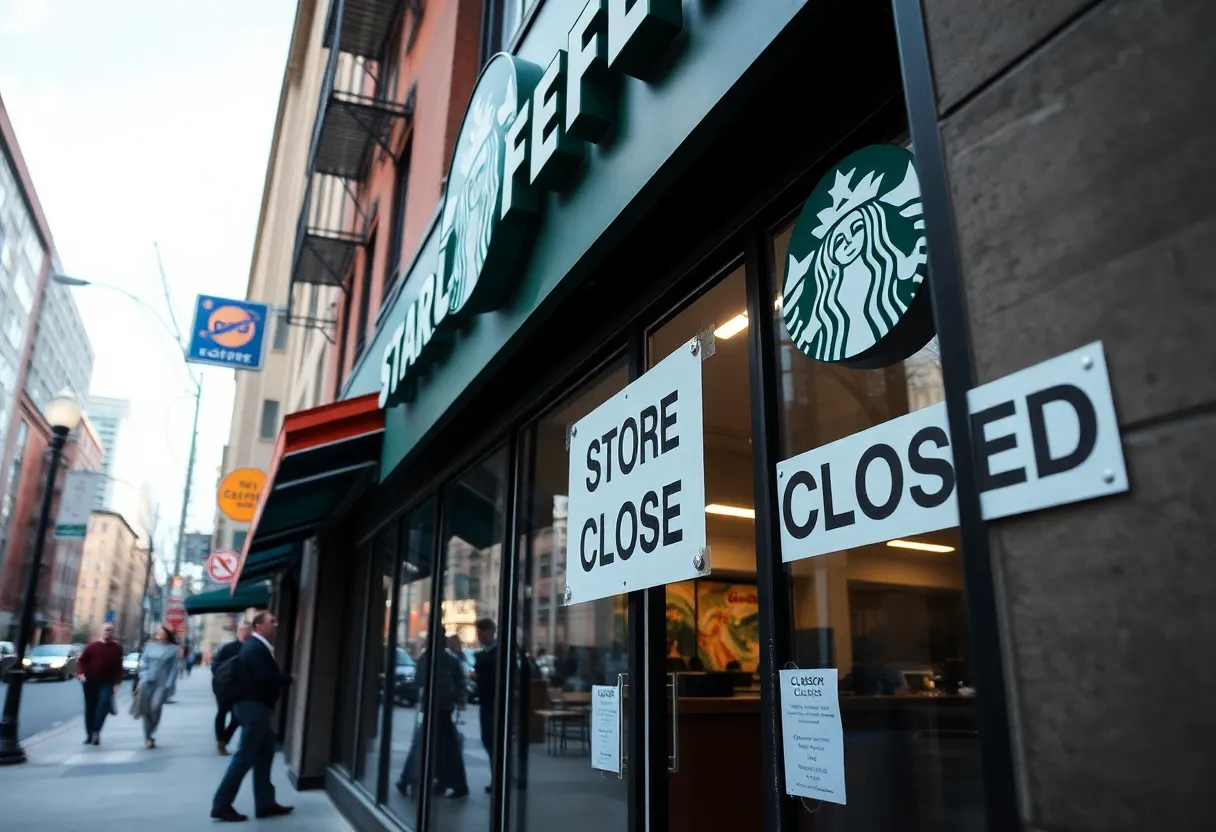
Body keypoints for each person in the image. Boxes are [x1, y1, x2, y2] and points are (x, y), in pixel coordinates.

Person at [211, 610, 294, 823]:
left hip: (254, 709)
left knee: (265, 752)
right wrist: (288, 679)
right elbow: (265, 678)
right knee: (244, 757)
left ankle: (265, 803)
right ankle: (221, 805)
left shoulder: (256, 647)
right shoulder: (256, 648)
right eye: (272, 622)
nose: (276, 625)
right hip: (253, 709)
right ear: (259, 627)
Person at [396, 640, 468, 799]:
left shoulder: (428, 659)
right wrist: (456, 699)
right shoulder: (449, 660)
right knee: (447, 747)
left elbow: (419, 681)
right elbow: (459, 682)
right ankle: (449, 782)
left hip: (433, 707)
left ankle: (408, 779)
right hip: (444, 707)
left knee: (425, 744)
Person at [76, 623, 123, 745]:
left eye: (110, 630)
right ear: (101, 631)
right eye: (105, 630)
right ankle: (89, 735)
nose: (107, 632)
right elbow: (81, 661)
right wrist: (81, 674)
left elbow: (118, 666)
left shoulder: (117, 648)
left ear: (112, 632)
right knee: (90, 708)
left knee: (103, 705)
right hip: (90, 681)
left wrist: (117, 683)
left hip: (107, 681)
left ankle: (96, 730)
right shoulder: (92, 647)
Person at [211, 621, 251, 756]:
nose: (244, 632)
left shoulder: (252, 648)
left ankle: (225, 738)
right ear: (238, 631)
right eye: (242, 630)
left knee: (237, 717)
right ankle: (220, 741)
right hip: (225, 687)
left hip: (241, 689)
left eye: (247, 630)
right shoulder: (228, 648)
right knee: (222, 713)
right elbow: (215, 665)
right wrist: (223, 676)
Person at [138, 626, 178, 749]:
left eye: (161, 633)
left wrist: (170, 682)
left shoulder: (173, 649)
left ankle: (153, 731)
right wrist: (143, 675)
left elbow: (174, 668)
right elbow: (143, 661)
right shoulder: (150, 646)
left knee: (155, 707)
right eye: (157, 633)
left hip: (162, 681)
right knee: (146, 710)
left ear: (166, 634)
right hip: (147, 680)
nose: (158, 635)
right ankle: (148, 737)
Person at [472, 619, 498, 794]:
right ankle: (497, 777)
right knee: (489, 741)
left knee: (492, 741)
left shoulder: (496, 654)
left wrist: (478, 678)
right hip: (487, 702)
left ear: (490, 632)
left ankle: (498, 777)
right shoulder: (486, 653)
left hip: (493, 703)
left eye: (481, 633)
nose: (479, 637)